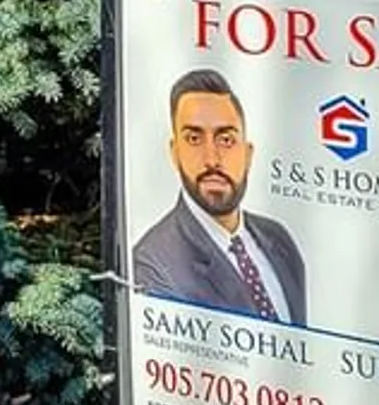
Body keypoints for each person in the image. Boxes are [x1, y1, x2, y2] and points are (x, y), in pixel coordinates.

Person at [130, 69, 309, 322]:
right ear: (174, 152)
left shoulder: (279, 240)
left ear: (247, 154)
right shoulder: (154, 263)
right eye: (194, 138)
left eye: (226, 139)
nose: (212, 159)